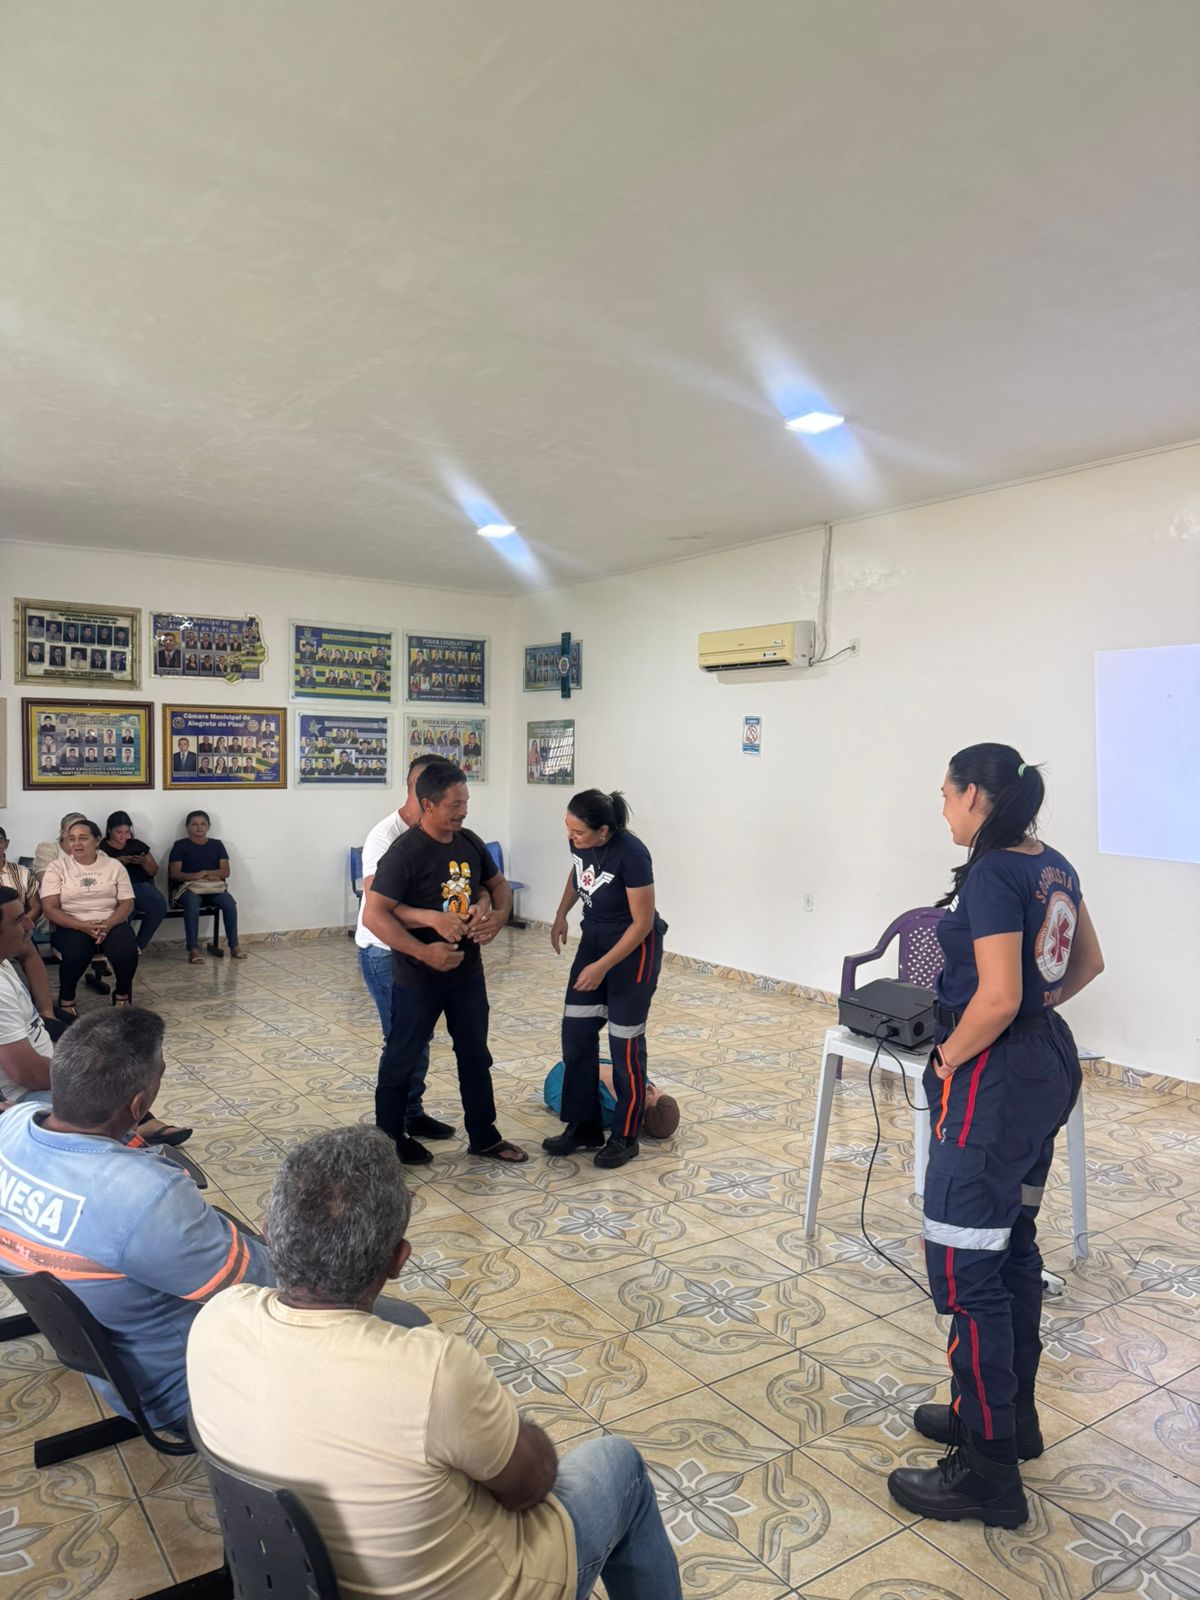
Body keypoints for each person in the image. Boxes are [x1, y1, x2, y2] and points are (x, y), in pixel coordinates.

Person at [187, 1126, 679, 1600]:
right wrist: (505, 1429)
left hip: (292, 1584)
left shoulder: (216, 1319)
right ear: (398, 1260)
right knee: (619, 1464)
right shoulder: (433, 1371)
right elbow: (528, 1487)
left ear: (270, 1234)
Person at [885, 745, 1106, 1531]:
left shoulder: (990, 874)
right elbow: (1087, 964)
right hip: (1045, 1066)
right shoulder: (1051, 863)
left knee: (966, 1265)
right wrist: (1031, 1014)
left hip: (993, 1080)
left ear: (976, 794)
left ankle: (987, 1473)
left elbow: (999, 997)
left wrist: (948, 1055)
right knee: (1010, 1245)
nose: (942, 809)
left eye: (946, 795)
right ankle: (1010, 1422)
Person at [0, 1008, 271, 1430]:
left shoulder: (11, 1127)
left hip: (110, 1365)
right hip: (183, 1390)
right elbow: (265, 1286)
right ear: (139, 1105)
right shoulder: (146, 1196)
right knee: (374, 1321)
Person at [364, 760, 524, 1167]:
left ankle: (484, 1136)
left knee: (475, 1055)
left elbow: (497, 887)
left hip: (467, 975)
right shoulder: (404, 852)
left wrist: (496, 916)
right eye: (455, 804)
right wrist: (423, 951)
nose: (463, 811)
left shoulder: (468, 841)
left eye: (466, 802)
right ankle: (389, 1140)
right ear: (428, 805)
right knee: (402, 1058)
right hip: (418, 978)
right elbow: (374, 915)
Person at [544, 791, 667, 1169]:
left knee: (624, 1043)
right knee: (576, 1032)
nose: (570, 837)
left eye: (577, 832)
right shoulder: (582, 843)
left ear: (603, 831)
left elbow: (641, 923)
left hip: (634, 952)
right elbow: (578, 873)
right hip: (595, 940)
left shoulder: (632, 854)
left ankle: (626, 1136)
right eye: (567, 829)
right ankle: (584, 1125)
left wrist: (602, 967)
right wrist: (562, 913)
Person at [355, 758, 449, 1145]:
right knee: (401, 1040)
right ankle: (391, 1131)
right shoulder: (386, 835)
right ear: (418, 790)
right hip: (383, 950)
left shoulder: (438, 832)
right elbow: (380, 903)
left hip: (416, 948)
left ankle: (413, 1113)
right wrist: (432, 917)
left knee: (419, 1035)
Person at [40, 819, 139, 1017]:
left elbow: (127, 903)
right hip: (71, 923)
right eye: (72, 839)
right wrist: (82, 926)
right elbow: (49, 909)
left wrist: (108, 924)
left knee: (126, 952)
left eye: (83, 838)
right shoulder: (57, 867)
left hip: (110, 921)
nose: (76, 844)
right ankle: (66, 1000)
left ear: (97, 840)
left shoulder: (113, 866)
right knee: (77, 953)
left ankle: (122, 996)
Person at [0, 888, 56, 1108]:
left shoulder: (4, 957)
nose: (30, 925)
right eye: (18, 920)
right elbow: (27, 1073)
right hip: (27, 1095)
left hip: (44, 1066)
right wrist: (82, 1078)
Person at [169, 811, 243, 962]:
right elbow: (175, 873)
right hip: (190, 889)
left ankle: (234, 946)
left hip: (212, 888)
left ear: (209, 826)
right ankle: (193, 949)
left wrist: (205, 873)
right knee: (192, 902)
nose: (199, 827)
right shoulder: (180, 845)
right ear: (187, 827)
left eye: (203, 824)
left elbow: (225, 871)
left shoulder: (217, 845)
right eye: (194, 824)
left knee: (229, 903)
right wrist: (193, 876)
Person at [100, 812, 168, 953]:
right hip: (116, 889)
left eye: (127, 832)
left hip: (141, 886)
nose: (123, 836)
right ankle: (123, 947)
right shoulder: (101, 848)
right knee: (127, 909)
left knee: (159, 905)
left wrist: (144, 862)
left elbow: (154, 871)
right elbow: (98, 874)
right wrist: (118, 862)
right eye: (119, 832)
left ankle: (138, 945)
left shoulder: (137, 845)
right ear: (110, 830)